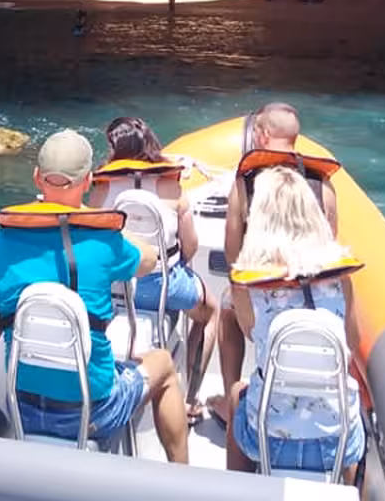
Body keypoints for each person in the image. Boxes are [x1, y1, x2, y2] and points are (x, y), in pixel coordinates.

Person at [0, 129, 188, 462]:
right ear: (88, 181)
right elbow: (148, 260)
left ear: (36, 178)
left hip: (24, 406)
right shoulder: (105, 242)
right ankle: (182, 479)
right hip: (94, 410)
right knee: (163, 365)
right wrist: (107, 224)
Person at [226, 166, 365, 480]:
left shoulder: (248, 282)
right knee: (355, 419)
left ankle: (236, 488)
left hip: (267, 440)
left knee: (237, 393)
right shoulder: (340, 277)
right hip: (334, 441)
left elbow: (251, 333)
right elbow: (353, 341)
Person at [208, 102, 338, 427]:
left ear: (261, 133)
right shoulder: (323, 184)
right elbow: (331, 244)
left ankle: (230, 398)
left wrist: (244, 292)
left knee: (226, 307)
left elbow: (233, 253)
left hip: (262, 299)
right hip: (316, 302)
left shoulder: (246, 182)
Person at [90, 116, 219, 423]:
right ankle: (190, 399)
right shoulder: (171, 187)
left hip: (116, 288)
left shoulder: (100, 191)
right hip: (165, 285)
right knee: (211, 312)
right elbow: (189, 247)